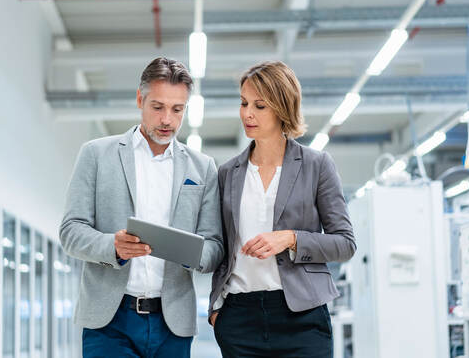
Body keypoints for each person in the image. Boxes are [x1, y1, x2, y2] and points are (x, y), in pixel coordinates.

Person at [59, 57, 224, 358]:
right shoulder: (96, 155)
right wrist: (113, 246)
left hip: (172, 323)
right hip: (110, 322)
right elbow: (70, 232)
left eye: (177, 110)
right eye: (158, 107)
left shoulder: (203, 168)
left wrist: (190, 253)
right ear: (140, 99)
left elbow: (215, 246)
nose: (167, 120)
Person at [209, 61, 356, 358]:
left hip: (301, 316)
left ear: (282, 107)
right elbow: (221, 247)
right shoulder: (227, 173)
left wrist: (291, 238)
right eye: (244, 103)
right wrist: (218, 311)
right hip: (239, 318)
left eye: (260, 106)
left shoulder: (317, 165)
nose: (247, 113)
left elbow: (345, 244)